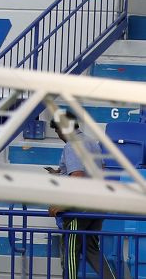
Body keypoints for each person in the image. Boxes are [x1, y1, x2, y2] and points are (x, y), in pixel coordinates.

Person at [49, 113, 117, 279]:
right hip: (97, 205)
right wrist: (62, 172)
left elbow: (78, 176)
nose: (59, 136)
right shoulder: (91, 142)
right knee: (91, 250)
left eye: (58, 132)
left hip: (80, 209)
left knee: (71, 251)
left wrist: (64, 206)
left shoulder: (73, 145)